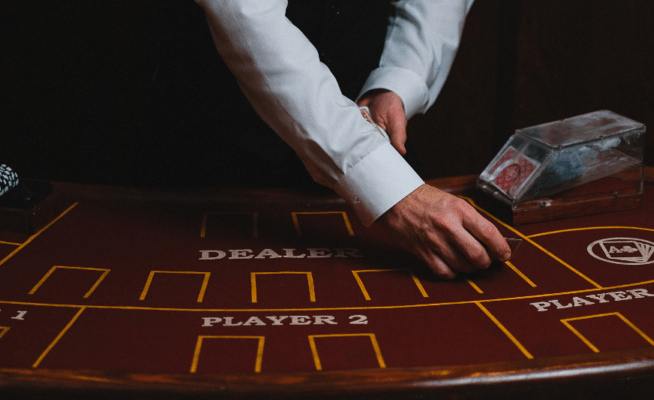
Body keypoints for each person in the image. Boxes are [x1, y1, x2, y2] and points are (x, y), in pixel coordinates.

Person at [152, 0, 510, 278]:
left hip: (376, 133)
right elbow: (245, 12)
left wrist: (399, 78)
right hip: (217, 156)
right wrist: (390, 189)